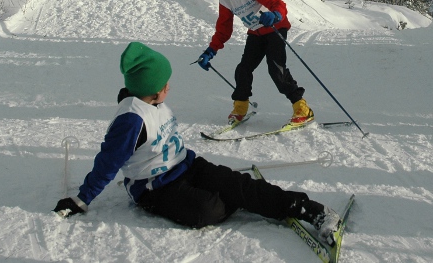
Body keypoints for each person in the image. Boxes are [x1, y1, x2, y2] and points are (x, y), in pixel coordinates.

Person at [53, 42, 341, 244]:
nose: (169, 87)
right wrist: (81, 199)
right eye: (165, 84)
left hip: (187, 165)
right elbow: (108, 162)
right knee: (207, 211)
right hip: (155, 187)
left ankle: (310, 209)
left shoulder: (150, 101)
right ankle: (241, 197)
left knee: (240, 186)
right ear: (151, 90)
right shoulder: (130, 120)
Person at [197, 0, 314, 126]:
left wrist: (275, 15)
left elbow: (277, 3)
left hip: (275, 28)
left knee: (276, 69)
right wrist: (210, 51)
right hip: (256, 33)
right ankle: (240, 107)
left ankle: (302, 109)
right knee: (243, 69)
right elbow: (223, 29)